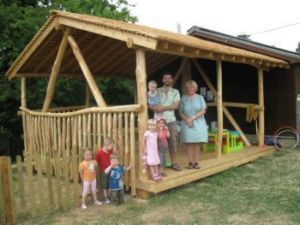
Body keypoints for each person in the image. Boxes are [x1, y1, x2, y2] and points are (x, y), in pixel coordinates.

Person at [153, 72, 181, 171]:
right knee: (158, 143)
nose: (167, 80)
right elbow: (152, 105)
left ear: (172, 80)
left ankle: (174, 163)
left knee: (173, 142)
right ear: (162, 80)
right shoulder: (156, 91)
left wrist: (162, 108)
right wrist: (155, 107)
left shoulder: (175, 92)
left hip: (171, 120)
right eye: (165, 78)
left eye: (169, 78)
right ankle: (160, 165)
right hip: (158, 121)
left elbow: (175, 106)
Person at [179, 80, 208, 169]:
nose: (190, 89)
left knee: (196, 143)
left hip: (199, 123)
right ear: (186, 89)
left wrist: (192, 118)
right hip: (186, 123)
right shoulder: (183, 98)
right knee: (189, 143)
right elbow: (180, 112)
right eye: (188, 87)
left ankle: (196, 162)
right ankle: (190, 162)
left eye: (192, 87)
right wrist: (186, 119)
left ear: (195, 88)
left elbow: (203, 110)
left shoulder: (200, 98)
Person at [96, 137, 114, 203]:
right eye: (111, 146)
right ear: (106, 145)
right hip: (104, 171)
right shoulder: (100, 153)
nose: (112, 147)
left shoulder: (110, 151)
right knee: (104, 184)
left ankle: (109, 196)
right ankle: (106, 196)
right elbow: (97, 161)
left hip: (111, 170)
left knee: (110, 183)